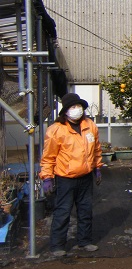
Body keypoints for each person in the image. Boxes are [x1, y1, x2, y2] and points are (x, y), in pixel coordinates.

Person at [40, 92, 103, 257]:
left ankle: (85, 241)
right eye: (73, 107)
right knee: (63, 211)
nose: (77, 109)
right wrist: (47, 177)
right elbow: (48, 157)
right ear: (66, 110)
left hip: (85, 177)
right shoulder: (56, 130)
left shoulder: (90, 126)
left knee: (85, 210)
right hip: (65, 178)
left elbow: (96, 149)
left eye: (79, 106)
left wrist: (97, 168)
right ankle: (57, 245)